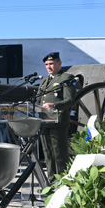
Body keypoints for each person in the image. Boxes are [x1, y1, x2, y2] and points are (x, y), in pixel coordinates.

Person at [37, 52, 77, 183]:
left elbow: (70, 100)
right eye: (46, 64)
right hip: (45, 121)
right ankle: (51, 181)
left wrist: (54, 105)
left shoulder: (66, 78)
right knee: (48, 154)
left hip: (58, 122)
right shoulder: (45, 80)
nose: (48, 67)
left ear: (59, 63)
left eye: (51, 63)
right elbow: (39, 100)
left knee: (59, 154)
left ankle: (63, 182)